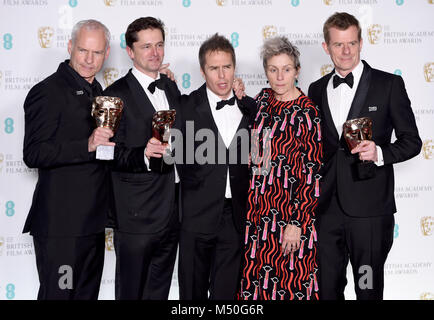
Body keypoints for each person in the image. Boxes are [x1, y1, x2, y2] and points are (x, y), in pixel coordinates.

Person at [308, 12, 422, 300]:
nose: (346, 51)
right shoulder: (316, 89)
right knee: (326, 289)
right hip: (327, 209)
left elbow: (412, 142)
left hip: (370, 212)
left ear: (361, 43)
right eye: (338, 44)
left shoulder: (388, 85)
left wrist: (380, 152)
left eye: (351, 43)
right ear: (326, 47)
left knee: (368, 288)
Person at [23, 19, 113, 299]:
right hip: (62, 228)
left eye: (96, 53)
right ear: (70, 47)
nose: (89, 59)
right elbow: (33, 153)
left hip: (93, 224)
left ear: (106, 54)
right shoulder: (47, 92)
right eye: (83, 51)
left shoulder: (99, 93)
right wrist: (85, 144)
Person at [238, 36, 322, 301]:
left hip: (289, 216)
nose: (280, 76)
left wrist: (297, 222)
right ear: (265, 72)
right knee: (255, 288)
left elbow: (312, 172)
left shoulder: (307, 112)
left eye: (286, 69)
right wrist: (238, 95)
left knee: (290, 285)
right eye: (273, 70)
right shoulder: (262, 100)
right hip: (257, 214)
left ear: (297, 71)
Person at [103, 17, 181, 300]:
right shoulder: (114, 95)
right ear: (130, 51)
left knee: (158, 293)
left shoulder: (170, 87)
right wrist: (143, 155)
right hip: (135, 216)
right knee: (131, 293)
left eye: (159, 44)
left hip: (171, 213)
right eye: (146, 46)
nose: (155, 52)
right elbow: (103, 152)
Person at [177, 33, 256, 300]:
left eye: (227, 67)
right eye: (214, 68)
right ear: (202, 71)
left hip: (235, 219)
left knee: (227, 296)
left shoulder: (251, 109)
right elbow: (170, 157)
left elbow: (264, 158)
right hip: (195, 217)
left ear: (235, 67)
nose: (222, 76)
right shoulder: (184, 106)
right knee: (192, 296)